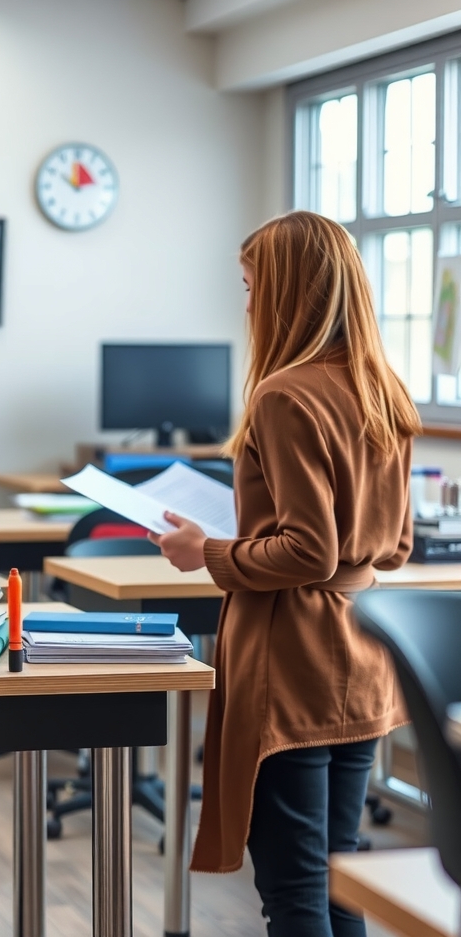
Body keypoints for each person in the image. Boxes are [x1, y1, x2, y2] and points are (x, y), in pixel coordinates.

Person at [150, 211, 421, 937]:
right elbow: (393, 546)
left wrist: (205, 552)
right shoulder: (384, 390)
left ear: (286, 292)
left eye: (250, 286)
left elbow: (308, 552)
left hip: (294, 663)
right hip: (365, 653)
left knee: (295, 886)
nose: (245, 304)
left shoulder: (283, 395)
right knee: (338, 873)